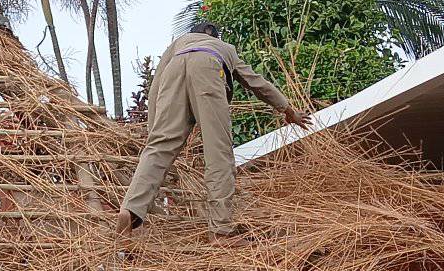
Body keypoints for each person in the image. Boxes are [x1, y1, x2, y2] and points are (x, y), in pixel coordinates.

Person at [118, 21, 306, 238]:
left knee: (158, 150)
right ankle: (221, 230)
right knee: (219, 155)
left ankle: (130, 210)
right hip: (209, 69)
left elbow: (155, 89)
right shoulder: (224, 48)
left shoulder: (177, 44)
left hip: (173, 74)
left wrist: (154, 132)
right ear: (216, 37)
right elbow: (256, 83)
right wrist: (287, 109)